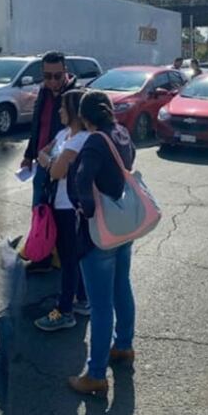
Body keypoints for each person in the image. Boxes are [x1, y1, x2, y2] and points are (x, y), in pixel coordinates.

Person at [67, 91, 137, 396]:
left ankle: (96, 374)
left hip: (100, 230)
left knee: (100, 304)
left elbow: (83, 179)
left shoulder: (95, 141)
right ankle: (123, 346)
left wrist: (86, 210)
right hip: (123, 223)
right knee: (122, 286)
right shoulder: (121, 133)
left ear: (84, 118)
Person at [33, 89, 91, 332]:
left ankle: (65, 310)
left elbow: (55, 170)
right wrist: (51, 163)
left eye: (63, 108)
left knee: (69, 259)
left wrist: (50, 163)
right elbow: (41, 153)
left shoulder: (81, 140)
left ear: (75, 112)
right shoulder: (64, 134)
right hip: (58, 201)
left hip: (71, 207)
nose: (59, 111)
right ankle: (83, 300)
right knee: (71, 257)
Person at [21, 51, 77, 272]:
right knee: (40, 210)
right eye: (47, 76)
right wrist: (28, 154)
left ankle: (52, 258)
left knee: (57, 213)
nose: (52, 81)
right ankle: (42, 254)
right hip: (41, 162)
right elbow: (37, 126)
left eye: (57, 75)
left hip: (60, 166)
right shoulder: (43, 91)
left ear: (65, 71)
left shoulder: (74, 95)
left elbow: (74, 133)